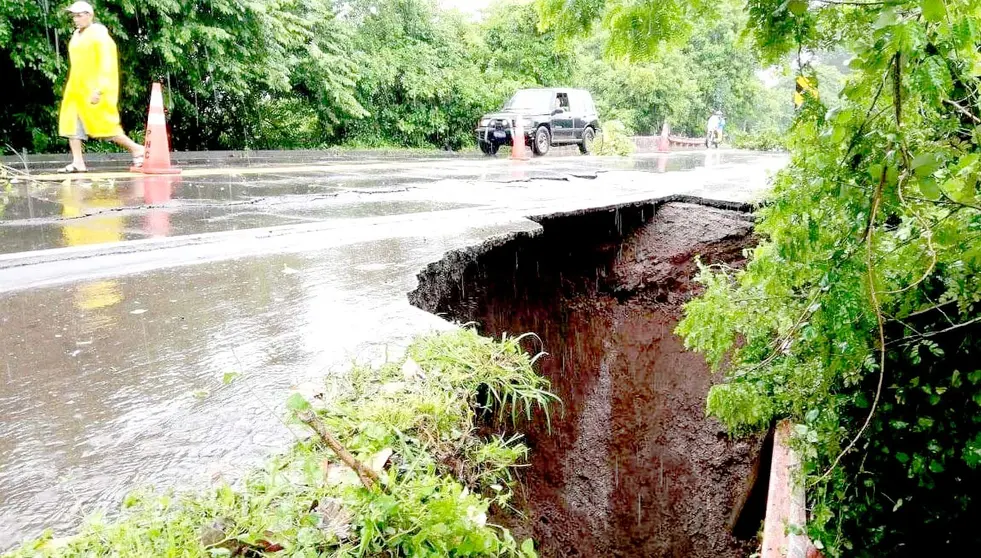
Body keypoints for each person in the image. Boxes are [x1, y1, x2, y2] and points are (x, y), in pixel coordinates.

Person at [58, 2, 144, 173]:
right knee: (71, 125)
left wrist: (99, 89)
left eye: (79, 15)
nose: (76, 19)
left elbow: (108, 64)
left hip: (94, 89)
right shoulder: (76, 35)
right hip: (76, 89)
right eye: (74, 16)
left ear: (89, 15)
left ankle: (136, 148)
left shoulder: (99, 36)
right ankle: (78, 162)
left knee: (105, 126)